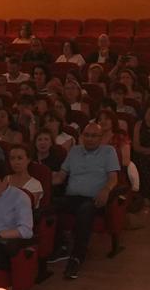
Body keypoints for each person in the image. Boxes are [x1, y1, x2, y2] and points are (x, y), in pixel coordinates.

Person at [51, 119, 122, 277]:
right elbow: (61, 176)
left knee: (85, 210)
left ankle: (77, 257)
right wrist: (42, 182)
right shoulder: (74, 151)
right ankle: (56, 247)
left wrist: (106, 189)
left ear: (101, 137)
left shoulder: (108, 151)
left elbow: (113, 178)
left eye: (94, 136)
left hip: (94, 200)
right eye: (87, 135)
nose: (89, 139)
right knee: (49, 206)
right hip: (72, 197)